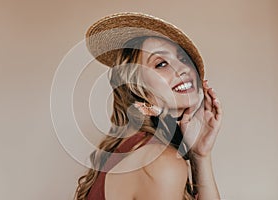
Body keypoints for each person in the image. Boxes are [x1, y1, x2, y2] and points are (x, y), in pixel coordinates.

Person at [75, 12, 222, 200]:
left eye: (183, 59)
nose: (184, 69)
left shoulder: (136, 148)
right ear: (135, 87)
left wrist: (200, 155)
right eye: (161, 64)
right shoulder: (159, 161)